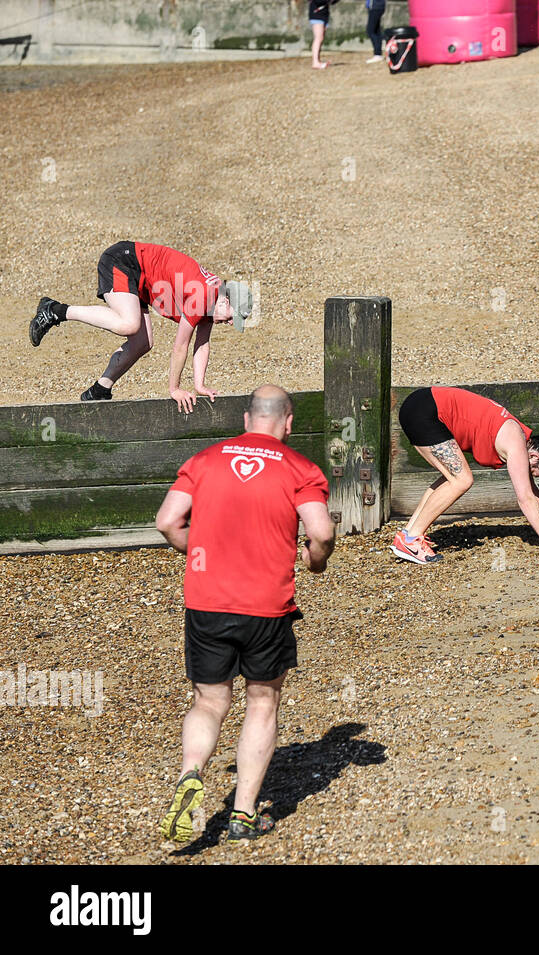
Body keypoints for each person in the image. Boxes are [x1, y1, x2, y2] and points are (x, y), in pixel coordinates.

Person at [155, 385, 334, 844]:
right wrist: (316, 560)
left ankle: (191, 771)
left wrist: (197, 550)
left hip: (206, 600)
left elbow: (167, 521)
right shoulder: (300, 468)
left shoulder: (205, 460)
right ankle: (243, 814)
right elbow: (320, 530)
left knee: (209, 702)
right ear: (288, 422)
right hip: (266, 606)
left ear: (247, 417)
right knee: (262, 701)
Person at [29, 240, 253, 410]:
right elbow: (180, 346)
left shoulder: (213, 302)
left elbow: (202, 344)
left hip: (144, 280)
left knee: (142, 343)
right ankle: (55, 310)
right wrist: (174, 389)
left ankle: (100, 390)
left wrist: (199, 385)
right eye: (233, 316)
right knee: (129, 325)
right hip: (124, 261)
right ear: (225, 299)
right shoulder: (204, 296)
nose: (230, 322)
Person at [392, 386, 539, 564]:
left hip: (418, 405)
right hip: (427, 410)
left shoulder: (518, 437)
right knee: (461, 479)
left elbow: (533, 495)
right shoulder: (516, 442)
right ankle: (412, 540)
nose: (531, 475)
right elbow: (525, 498)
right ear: (535, 457)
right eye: (535, 471)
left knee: (453, 478)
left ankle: (407, 534)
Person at [308, 0, 339, 69]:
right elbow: (319, 1)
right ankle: (315, 62)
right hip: (316, 14)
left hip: (324, 15)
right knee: (318, 38)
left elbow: (331, 2)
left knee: (321, 38)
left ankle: (317, 60)